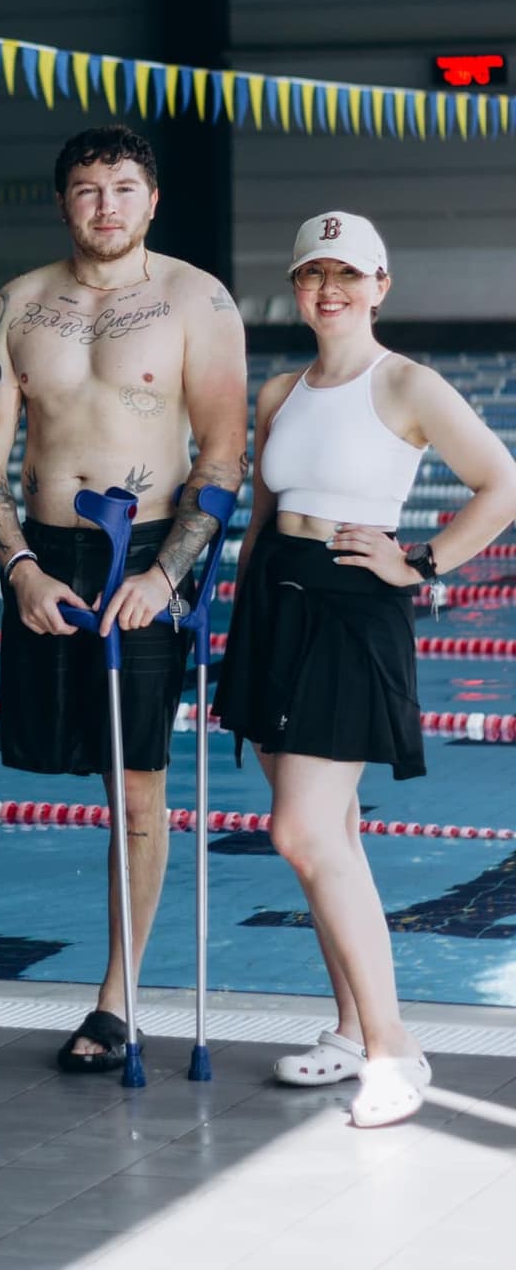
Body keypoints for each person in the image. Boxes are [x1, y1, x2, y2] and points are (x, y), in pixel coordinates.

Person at [215, 211, 516, 1127]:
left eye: (350, 273)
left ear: (380, 286)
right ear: (297, 287)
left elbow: (502, 484)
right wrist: (234, 614)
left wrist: (420, 561)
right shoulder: (279, 392)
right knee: (332, 832)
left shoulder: (409, 384)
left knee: (302, 832)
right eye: (314, 273)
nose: (331, 288)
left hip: (351, 607)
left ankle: (396, 1048)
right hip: (275, 604)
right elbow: (264, 513)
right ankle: (349, 1028)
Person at [0, 125, 246, 1074]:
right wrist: (19, 570)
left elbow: (220, 454)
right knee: (63, 761)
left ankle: (117, 999)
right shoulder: (16, 304)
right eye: (87, 189)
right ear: (63, 201)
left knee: (137, 785)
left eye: (124, 187)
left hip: (148, 554)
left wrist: (167, 574)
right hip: (45, 557)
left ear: (152, 199)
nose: (107, 205)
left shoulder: (197, 299)